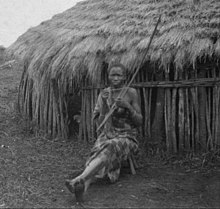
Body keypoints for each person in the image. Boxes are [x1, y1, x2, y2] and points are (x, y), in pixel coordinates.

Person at [65, 63, 143, 202]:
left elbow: (139, 121)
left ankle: (80, 178)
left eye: (119, 75)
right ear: (108, 77)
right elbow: (99, 122)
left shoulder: (131, 92)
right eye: (113, 75)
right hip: (107, 133)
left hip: (127, 137)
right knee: (99, 149)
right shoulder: (104, 94)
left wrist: (128, 107)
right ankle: (83, 187)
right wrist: (106, 106)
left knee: (110, 146)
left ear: (124, 77)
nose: (115, 78)